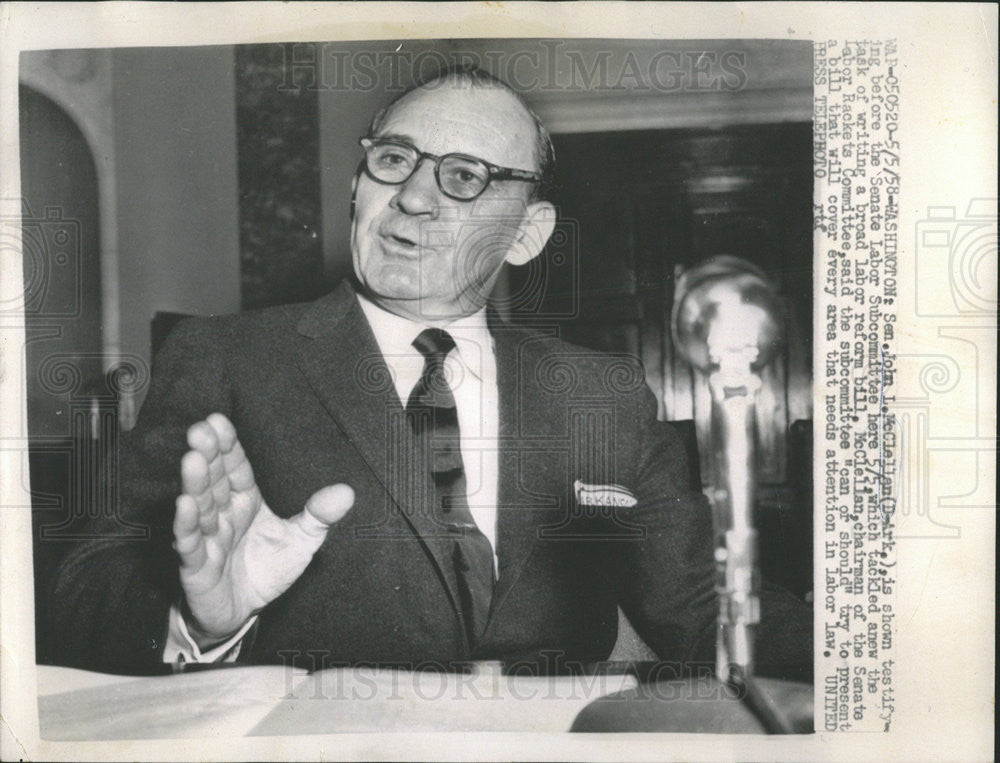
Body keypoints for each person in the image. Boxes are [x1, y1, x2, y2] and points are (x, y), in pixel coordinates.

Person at [49, 66, 810, 678]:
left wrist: (878, 652)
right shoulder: (227, 358)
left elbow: (702, 607)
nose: (412, 196)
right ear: (357, 188)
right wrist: (201, 616)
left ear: (526, 233)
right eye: (393, 160)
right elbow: (84, 587)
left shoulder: (601, 395)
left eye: (465, 177)